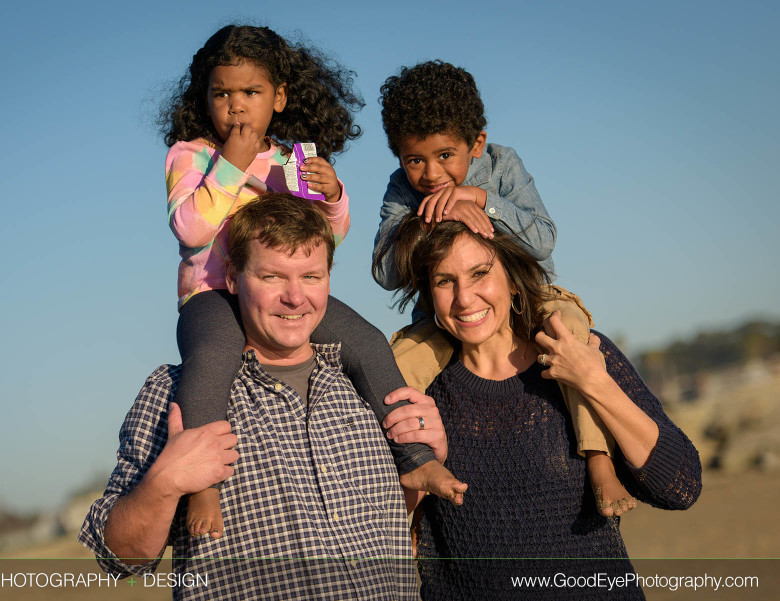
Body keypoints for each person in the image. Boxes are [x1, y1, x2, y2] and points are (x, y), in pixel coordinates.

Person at [159, 25, 462, 538]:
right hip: (212, 296)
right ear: (205, 98)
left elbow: (325, 241)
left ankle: (412, 456)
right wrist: (231, 164)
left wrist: (333, 194)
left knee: (366, 342)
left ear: (278, 97)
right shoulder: (191, 155)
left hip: (287, 297)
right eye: (222, 93)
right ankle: (203, 485)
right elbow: (191, 227)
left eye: (250, 92)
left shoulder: (289, 158)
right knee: (211, 359)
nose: (236, 106)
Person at [79, 194, 451, 599]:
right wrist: (164, 483)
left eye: (310, 277)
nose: (294, 297)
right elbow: (120, 560)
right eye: (272, 277)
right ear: (235, 278)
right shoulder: (175, 394)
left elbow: (390, 525)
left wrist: (426, 455)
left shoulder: (365, 389)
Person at [379, 213, 702, 599]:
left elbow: (680, 488)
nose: (464, 299)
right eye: (445, 282)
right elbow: (378, 529)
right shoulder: (418, 390)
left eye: (480, 273)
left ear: (513, 281)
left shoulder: (575, 350)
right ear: (430, 294)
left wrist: (593, 381)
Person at [372, 59, 634, 515]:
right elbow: (385, 272)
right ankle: (408, 484)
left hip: (529, 298)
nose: (431, 174)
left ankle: (598, 460)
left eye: (445, 156)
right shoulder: (401, 190)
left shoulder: (502, 167)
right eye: (415, 160)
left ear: (477, 143)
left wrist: (483, 203)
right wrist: (429, 218)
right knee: (392, 368)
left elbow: (543, 239)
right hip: (444, 315)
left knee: (572, 335)